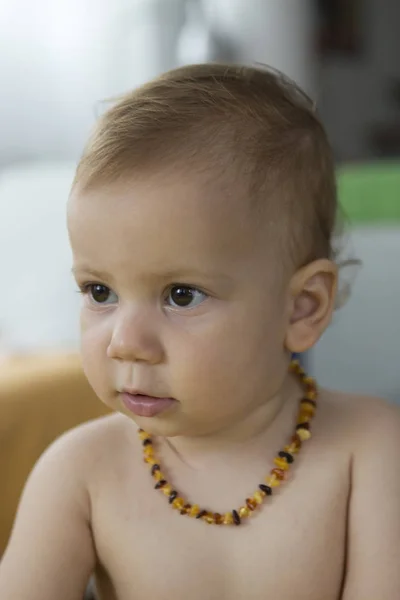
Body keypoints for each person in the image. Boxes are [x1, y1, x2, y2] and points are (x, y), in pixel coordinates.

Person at [0, 63, 399, 600]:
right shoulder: (81, 472)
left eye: (180, 295)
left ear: (302, 308)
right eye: (100, 292)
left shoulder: (370, 448)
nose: (125, 342)